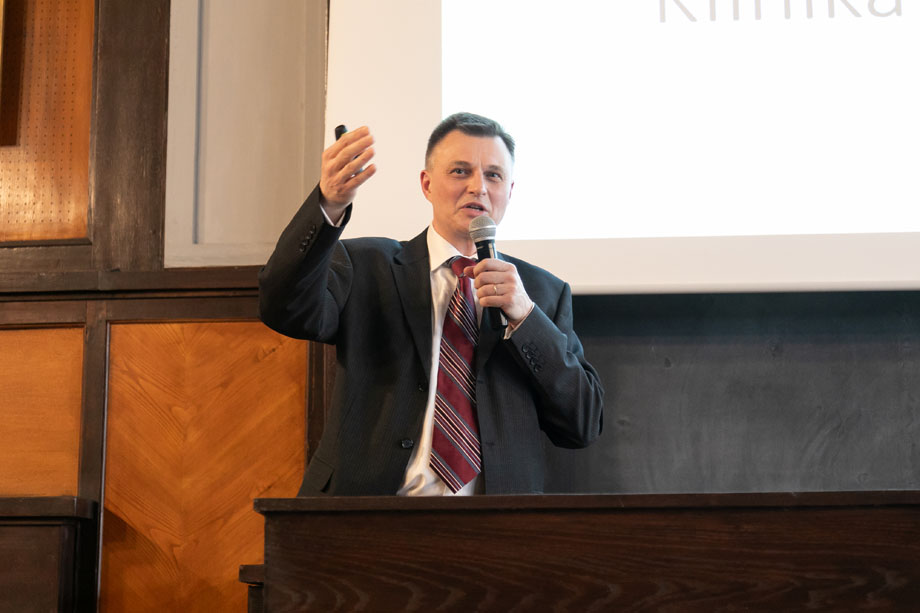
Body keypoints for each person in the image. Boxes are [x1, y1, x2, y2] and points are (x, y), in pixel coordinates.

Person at [259, 112, 604, 496]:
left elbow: (582, 424)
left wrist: (525, 317)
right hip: (369, 517)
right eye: (460, 171)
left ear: (510, 191)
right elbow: (283, 307)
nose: (478, 187)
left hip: (498, 530)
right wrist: (329, 205)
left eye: (493, 175)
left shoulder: (541, 293)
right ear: (426, 184)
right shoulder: (366, 266)